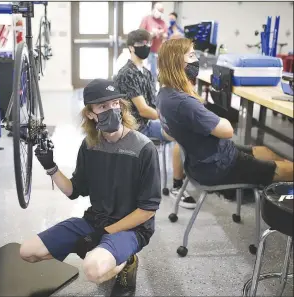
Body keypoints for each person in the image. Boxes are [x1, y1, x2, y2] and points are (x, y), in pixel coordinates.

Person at [20, 79, 162, 297]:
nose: (112, 110)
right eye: (103, 107)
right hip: (94, 220)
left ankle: (127, 261)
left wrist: (103, 234)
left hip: (131, 228)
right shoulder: (89, 145)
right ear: (90, 113)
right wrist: (51, 167)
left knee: (93, 270)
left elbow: (148, 210)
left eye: (115, 103)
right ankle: (102, 252)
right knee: (28, 252)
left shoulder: (144, 148)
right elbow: (73, 191)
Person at [156, 38, 293, 189]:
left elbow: (169, 133)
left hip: (206, 158)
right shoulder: (184, 102)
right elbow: (227, 131)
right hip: (217, 166)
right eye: (191, 56)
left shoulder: (164, 94)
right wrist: (219, 119)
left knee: (266, 151)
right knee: (289, 170)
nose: (196, 60)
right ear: (177, 62)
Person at [114, 29, 197, 209]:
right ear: (130, 47)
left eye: (147, 43)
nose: (145, 47)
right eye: (140, 44)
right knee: (181, 135)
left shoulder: (146, 72)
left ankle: (180, 181)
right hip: (135, 128)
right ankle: (177, 186)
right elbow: (144, 110)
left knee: (185, 130)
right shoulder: (127, 74)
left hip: (148, 123)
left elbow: (156, 104)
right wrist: (170, 114)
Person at [139, 2, 168, 82]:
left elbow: (166, 35)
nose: (159, 13)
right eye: (159, 11)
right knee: (146, 72)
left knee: (155, 74)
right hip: (147, 51)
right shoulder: (146, 19)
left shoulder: (162, 22)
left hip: (157, 52)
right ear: (154, 9)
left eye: (161, 12)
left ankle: (153, 91)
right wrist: (151, 34)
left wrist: (162, 34)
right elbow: (140, 34)